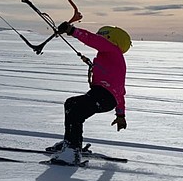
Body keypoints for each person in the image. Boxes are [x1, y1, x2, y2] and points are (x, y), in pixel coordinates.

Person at [48, 22, 130, 165]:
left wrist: (72, 30)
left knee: (75, 109)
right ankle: (71, 143)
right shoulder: (111, 57)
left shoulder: (111, 49)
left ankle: (72, 151)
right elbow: (120, 92)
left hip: (103, 96)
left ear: (110, 39)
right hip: (105, 97)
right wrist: (120, 115)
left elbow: (92, 39)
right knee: (72, 104)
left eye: (103, 37)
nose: (100, 38)